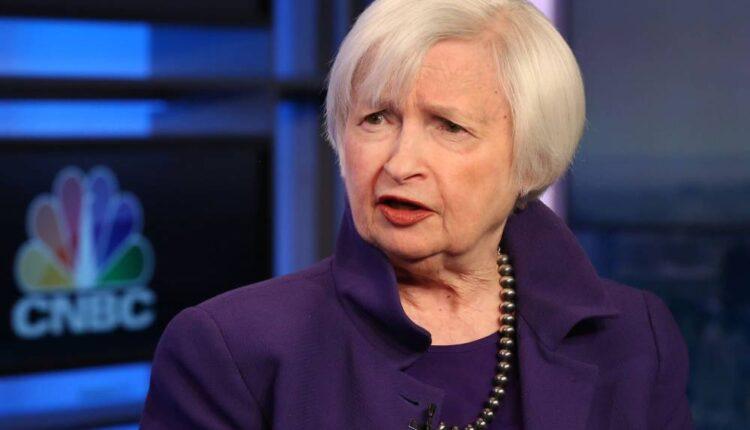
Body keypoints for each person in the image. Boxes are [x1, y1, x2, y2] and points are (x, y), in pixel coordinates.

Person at [140, 0, 693, 428]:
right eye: (376, 118)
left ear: (531, 159)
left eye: (449, 127)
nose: (401, 163)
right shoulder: (230, 350)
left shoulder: (636, 337)